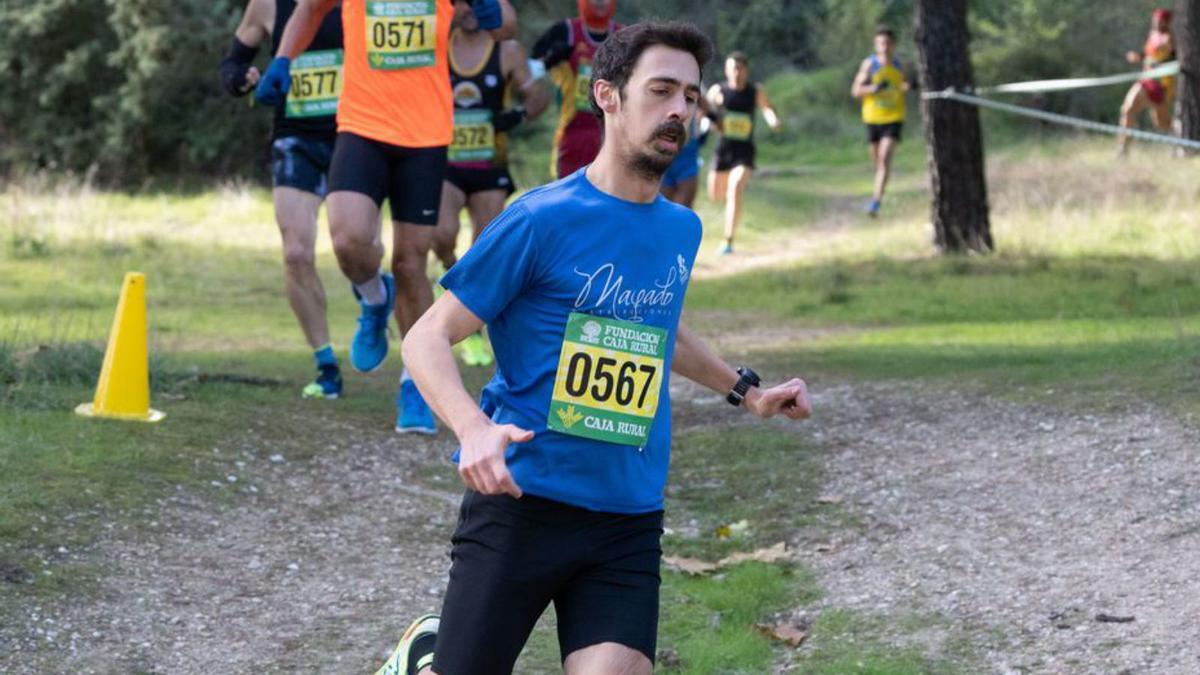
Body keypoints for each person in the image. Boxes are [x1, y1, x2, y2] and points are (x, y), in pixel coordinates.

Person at [375, 21, 813, 675]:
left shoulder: (680, 229)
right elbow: (426, 335)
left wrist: (747, 393)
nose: (678, 110)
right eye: (661, 90)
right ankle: (428, 654)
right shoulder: (538, 220)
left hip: (626, 515)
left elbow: (659, 327)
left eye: (690, 97)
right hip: (523, 504)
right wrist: (472, 428)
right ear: (606, 95)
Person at [255, 0, 515, 434]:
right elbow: (309, 10)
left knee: (411, 261)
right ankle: (375, 299)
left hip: (426, 136)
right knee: (348, 241)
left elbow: (506, 22)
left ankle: (414, 383)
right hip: (362, 127)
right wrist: (283, 58)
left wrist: (490, 12)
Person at [219, 0, 345, 399]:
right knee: (295, 254)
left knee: (357, 249)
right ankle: (326, 365)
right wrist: (243, 78)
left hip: (355, 137)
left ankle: (376, 294)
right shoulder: (268, 6)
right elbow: (231, 65)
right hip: (296, 138)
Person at [432, 4, 548, 368]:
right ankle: (451, 272)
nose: (471, 9)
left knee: (484, 252)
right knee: (441, 235)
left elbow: (539, 96)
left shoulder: (506, 51)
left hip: (488, 165)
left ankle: (474, 334)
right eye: (463, 1)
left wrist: (517, 114)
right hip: (446, 163)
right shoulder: (439, 46)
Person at [531, 0, 622, 179]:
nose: (600, 2)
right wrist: (550, 60)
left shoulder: (624, 36)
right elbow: (528, 72)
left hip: (612, 135)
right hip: (572, 133)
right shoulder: (565, 32)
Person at [706, 51, 780, 255]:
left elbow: (767, 108)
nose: (736, 73)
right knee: (715, 195)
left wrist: (772, 119)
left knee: (736, 187)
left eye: (739, 69)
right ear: (726, 70)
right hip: (723, 150)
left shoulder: (755, 91)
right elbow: (704, 111)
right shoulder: (717, 90)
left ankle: (728, 239)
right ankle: (729, 219)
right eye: (732, 69)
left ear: (746, 70)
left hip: (744, 151)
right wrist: (712, 117)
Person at [851, 26, 909, 217]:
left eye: (888, 43)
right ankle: (880, 189)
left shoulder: (900, 65)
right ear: (876, 46)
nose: (885, 47)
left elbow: (904, 86)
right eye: (881, 43)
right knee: (878, 163)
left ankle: (876, 201)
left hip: (894, 118)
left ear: (894, 45)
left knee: (884, 157)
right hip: (873, 118)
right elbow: (856, 91)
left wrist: (910, 86)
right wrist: (874, 88)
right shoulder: (869, 65)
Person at [1117, 8, 1176, 156]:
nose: (1156, 22)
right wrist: (1138, 57)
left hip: (1160, 85)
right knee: (1127, 109)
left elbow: (1173, 60)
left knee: (1162, 124)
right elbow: (1148, 56)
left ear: (1166, 22)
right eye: (1155, 19)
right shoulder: (1152, 35)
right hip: (1145, 80)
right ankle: (1123, 149)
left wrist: (1159, 63)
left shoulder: (1170, 39)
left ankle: (1180, 143)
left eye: (1160, 19)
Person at [659, 98, 716, 208]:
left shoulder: (693, 84)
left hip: (687, 153)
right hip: (663, 153)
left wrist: (708, 117)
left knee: (682, 212)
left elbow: (706, 106)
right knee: (662, 212)